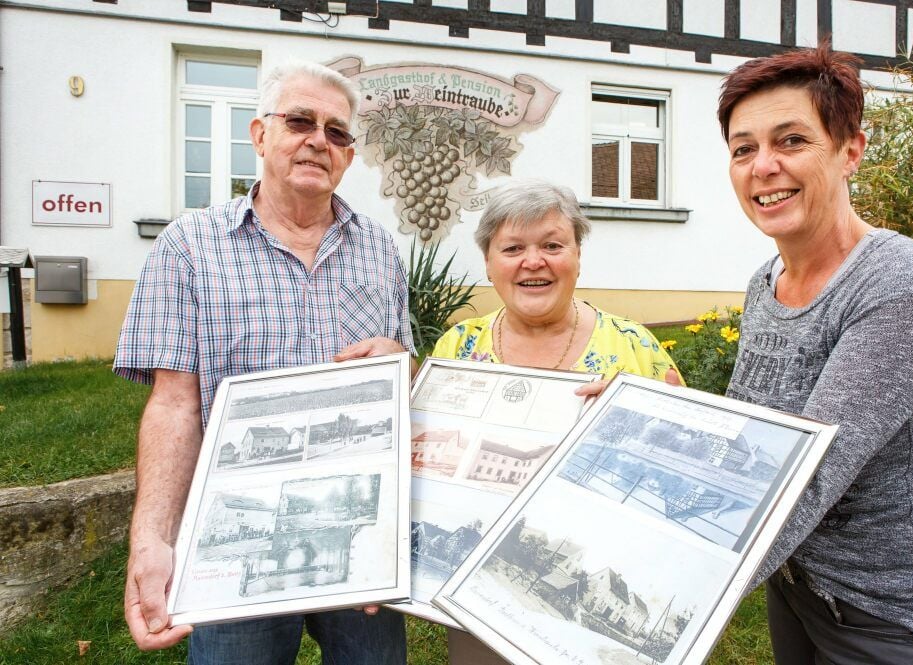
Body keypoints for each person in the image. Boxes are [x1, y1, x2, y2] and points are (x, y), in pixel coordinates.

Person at [114, 60, 413, 664]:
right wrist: (151, 539)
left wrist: (401, 363)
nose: (317, 141)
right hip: (235, 538)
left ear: (349, 156)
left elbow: (398, 381)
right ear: (259, 135)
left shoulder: (380, 248)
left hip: (357, 533)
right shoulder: (190, 246)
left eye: (336, 132)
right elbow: (174, 404)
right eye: (300, 121)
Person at [717, 42, 913, 663]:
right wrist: (647, 424)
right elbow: (752, 429)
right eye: (744, 148)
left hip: (892, 619)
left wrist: (669, 588)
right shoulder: (768, 281)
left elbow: (811, 475)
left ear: (850, 152)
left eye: (791, 141)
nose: (763, 166)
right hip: (799, 586)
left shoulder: (901, 283)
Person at [431, 179, 682, 663]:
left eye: (552, 245)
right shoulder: (457, 350)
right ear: (488, 262)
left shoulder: (633, 348)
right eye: (512, 248)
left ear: (577, 255)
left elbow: (679, 460)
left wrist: (640, 417)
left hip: (601, 561)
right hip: (473, 594)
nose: (533, 261)